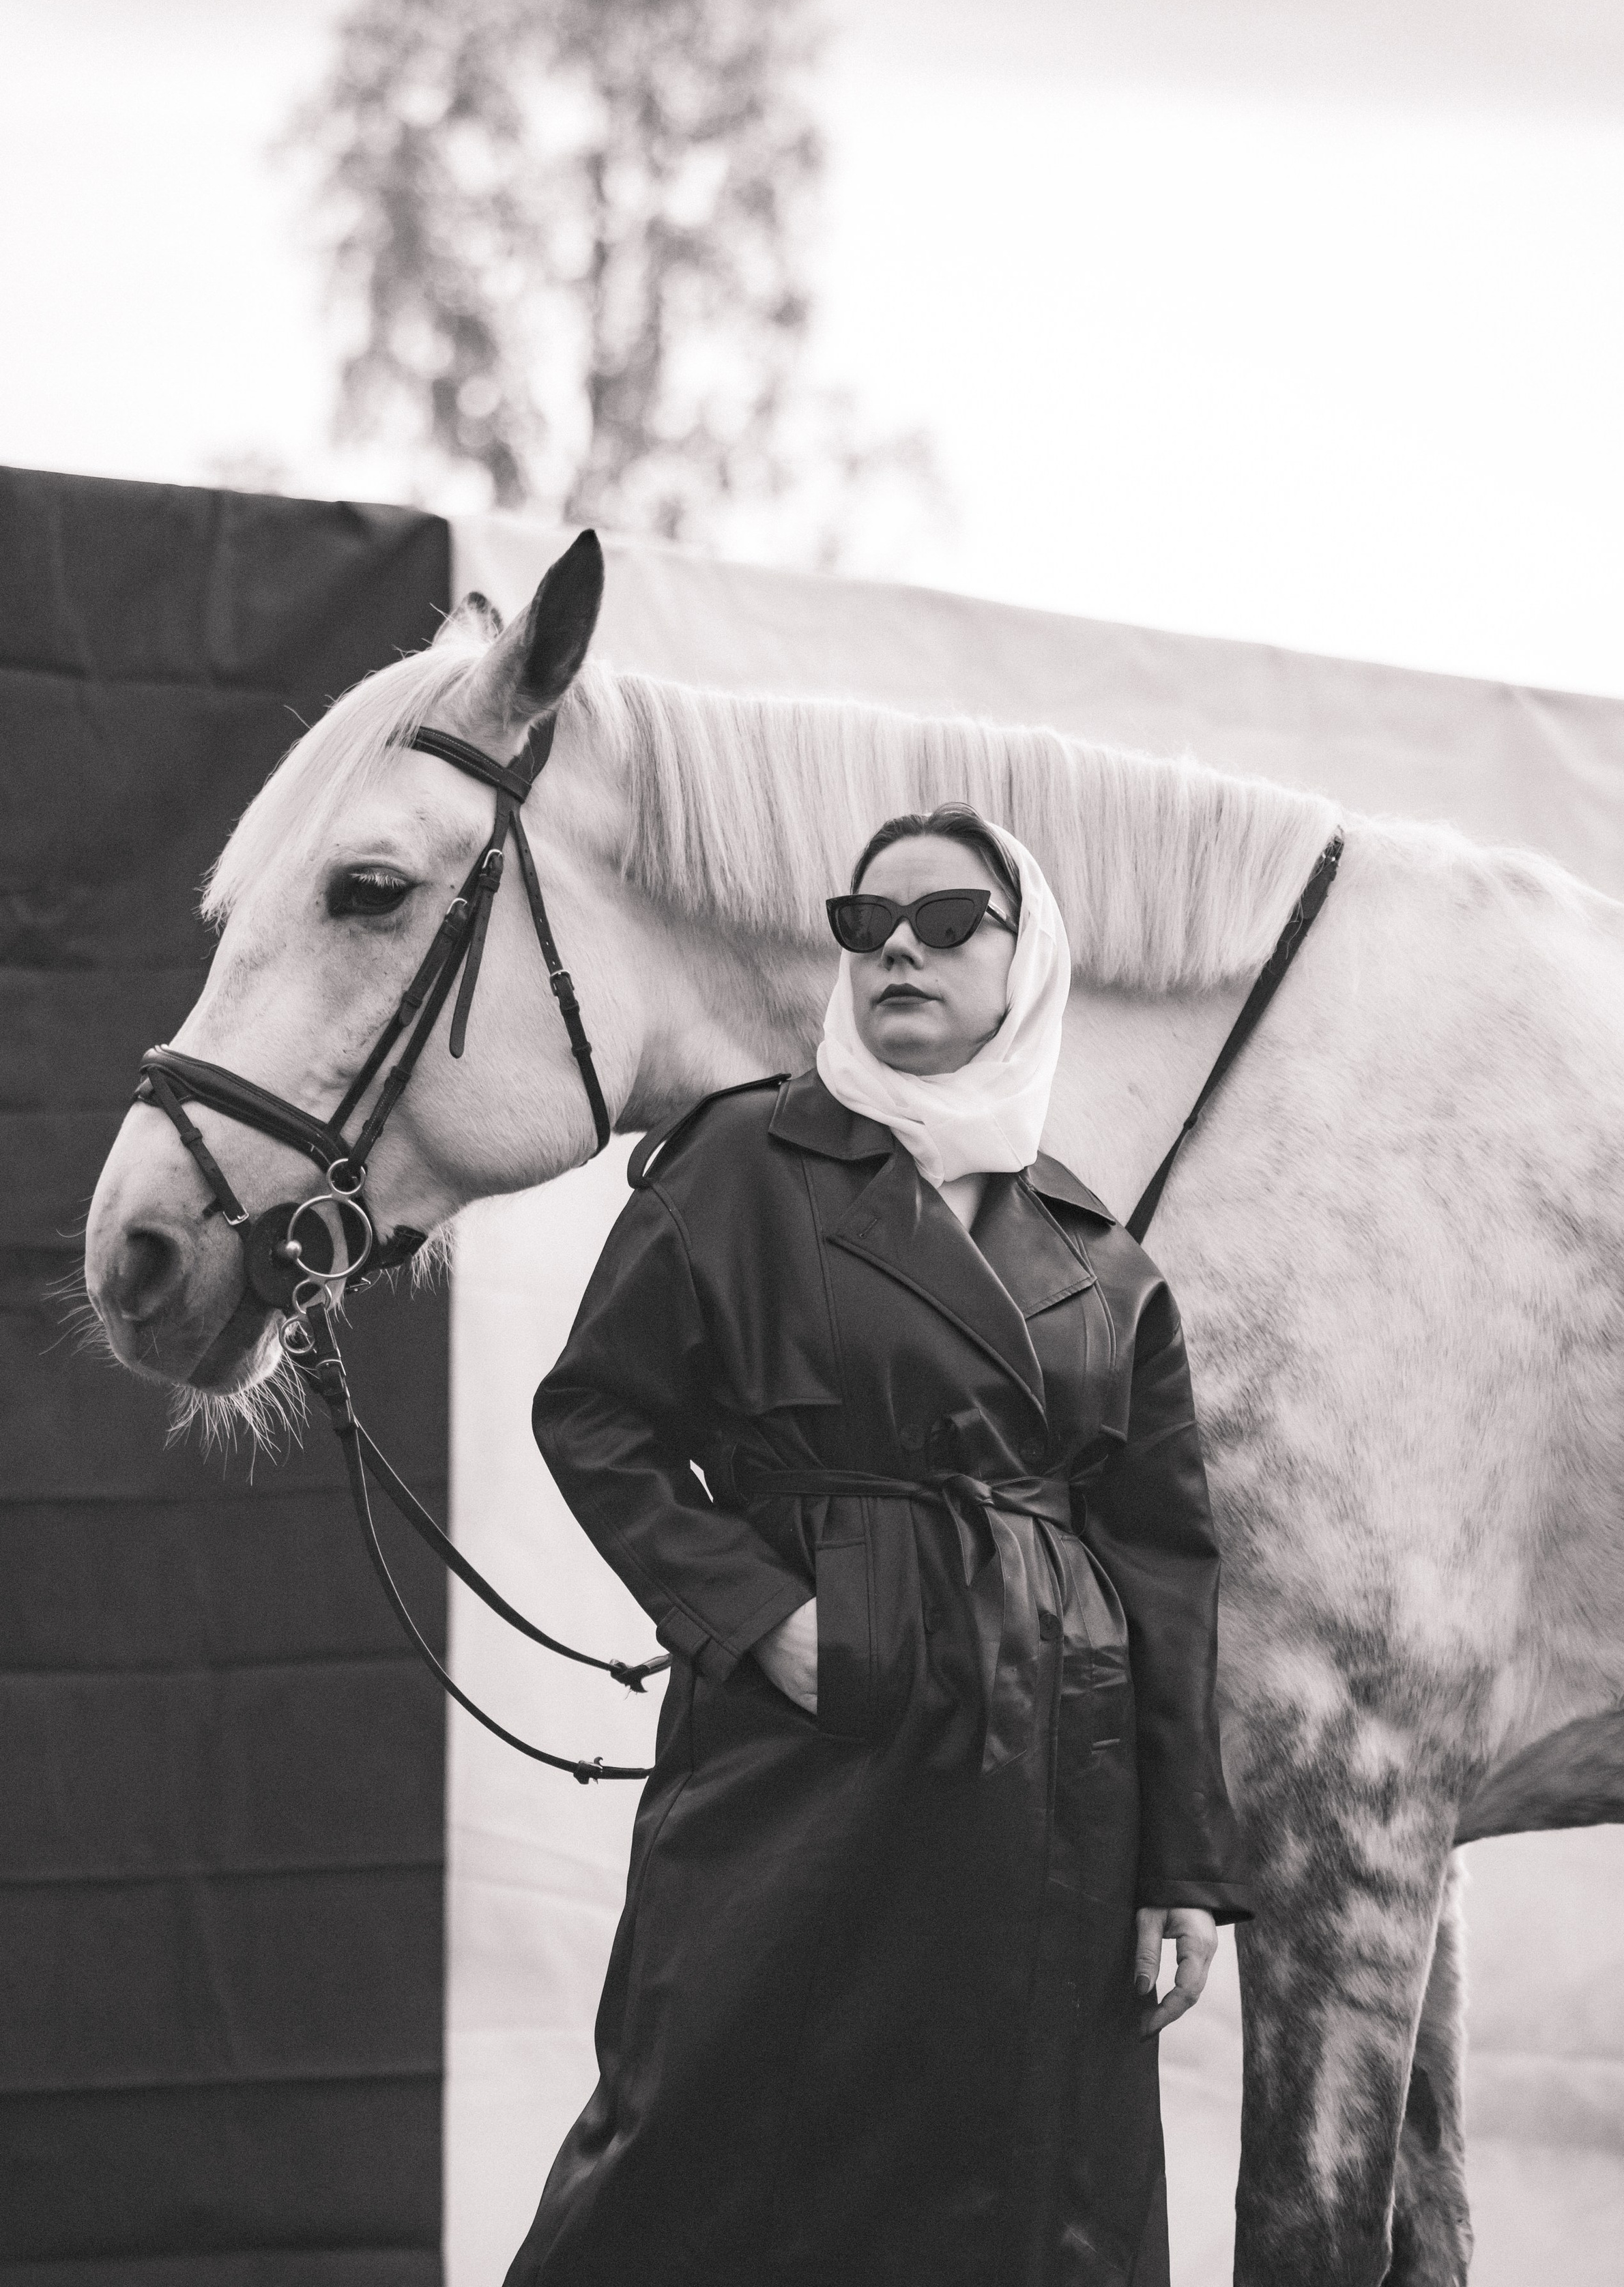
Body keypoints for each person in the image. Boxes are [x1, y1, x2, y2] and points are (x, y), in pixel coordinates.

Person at [506, 803, 1251, 2287]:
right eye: (863, 923)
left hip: (1056, 1784)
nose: (896, 945)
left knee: (1026, 2194)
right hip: (812, 1748)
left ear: (1025, 958)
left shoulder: (1101, 1260)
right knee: (696, 2145)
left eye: (947, 918)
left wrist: (1180, 1862)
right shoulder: (738, 1164)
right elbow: (597, 1415)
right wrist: (760, 1620)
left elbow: (1165, 1567)